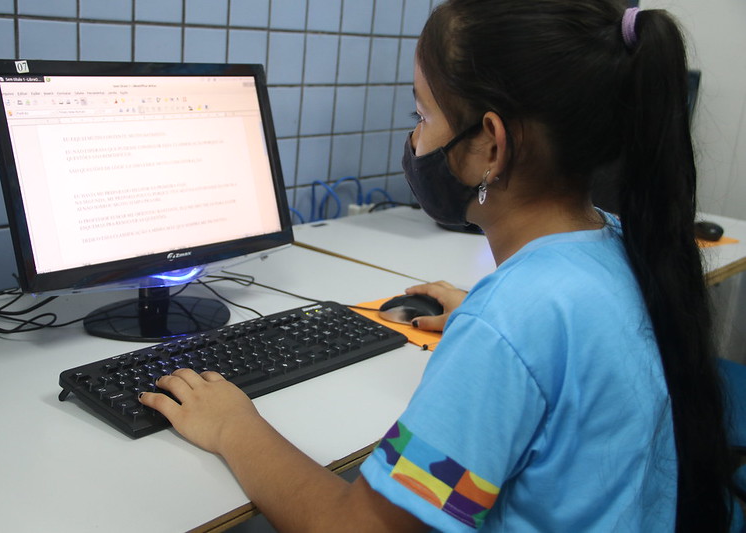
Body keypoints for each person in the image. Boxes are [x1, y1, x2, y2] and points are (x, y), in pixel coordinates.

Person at [140, 1, 735, 531]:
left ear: (492, 146)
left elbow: (362, 527)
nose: (414, 137)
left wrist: (232, 426)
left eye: (422, 115)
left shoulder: (513, 323)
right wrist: (491, 322)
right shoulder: (621, 244)